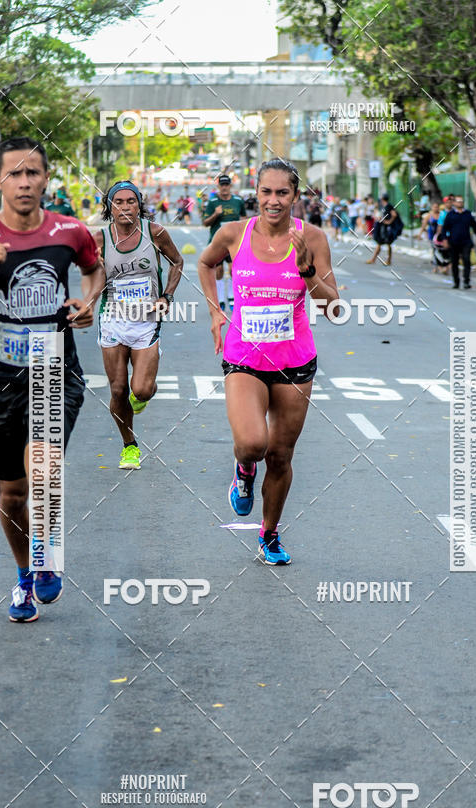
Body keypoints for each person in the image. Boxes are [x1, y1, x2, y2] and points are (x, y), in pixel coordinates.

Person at [0, 136, 104, 622]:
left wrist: (87, 304)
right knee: (12, 494)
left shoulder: (69, 230)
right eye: (14, 174)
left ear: (46, 178)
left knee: (43, 473)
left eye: (33, 173)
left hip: (55, 368)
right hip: (1, 379)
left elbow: (94, 269)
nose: (24, 182)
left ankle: (45, 553)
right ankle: (25, 573)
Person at [198, 158, 339, 565]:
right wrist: (214, 312)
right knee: (253, 445)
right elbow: (206, 264)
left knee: (280, 457)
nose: (273, 200)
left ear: (295, 196)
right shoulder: (232, 234)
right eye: (266, 192)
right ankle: (243, 472)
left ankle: (269, 534)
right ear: (255, 193)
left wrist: (308, 272)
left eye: (282, 193)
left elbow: (332, 307)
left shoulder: (312, 238)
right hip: (244, 356)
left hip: (295, 361)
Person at [95, 180, 183, 469]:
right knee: (118, 390)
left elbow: (177, 262)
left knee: (142, 390)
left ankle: (142, 393)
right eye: (118, 201)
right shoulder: (100, 239)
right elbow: (90, 274)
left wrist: (167, 295)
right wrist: (87, 299)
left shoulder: (155, 233)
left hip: (146, 321)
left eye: (130, 201)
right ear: (110, 206)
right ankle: (129, 445)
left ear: (139, 204)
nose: (124, 207)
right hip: (113, 321)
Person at [202, 174, 246, 311]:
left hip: (234, 242)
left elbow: (244, 219)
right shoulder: (213, 202)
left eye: (227, 185)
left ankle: (232, 298)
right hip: (217, 242)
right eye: (222, 185)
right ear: (218, 187)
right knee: (219, 270)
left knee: (234, 269)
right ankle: (220, 299)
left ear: (230, 186)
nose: (225, 187)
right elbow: (205, 222)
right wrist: (215, 214)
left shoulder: (238, 201)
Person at [442, 194, 476, 289]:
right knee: (455, 262)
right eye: (458, 201)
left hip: (466, 242)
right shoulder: (451, 215)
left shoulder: (468, 214)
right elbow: (444, 228)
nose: (460, 203)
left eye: (461, 201)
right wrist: (444, 239)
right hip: (453, 242)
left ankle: (466, 281)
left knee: (466, 261)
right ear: (454, 203)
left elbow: (474, 226)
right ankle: (456, 282)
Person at [366, 193, 400, 266]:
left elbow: (394, 215)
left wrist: (388, 222)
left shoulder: (388, 206)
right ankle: (374, 259)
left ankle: (388, 260)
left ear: (382, 199)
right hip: (383, 227)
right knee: (379, 242)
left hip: (387, 228)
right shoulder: (383, 206)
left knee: (388, 243)